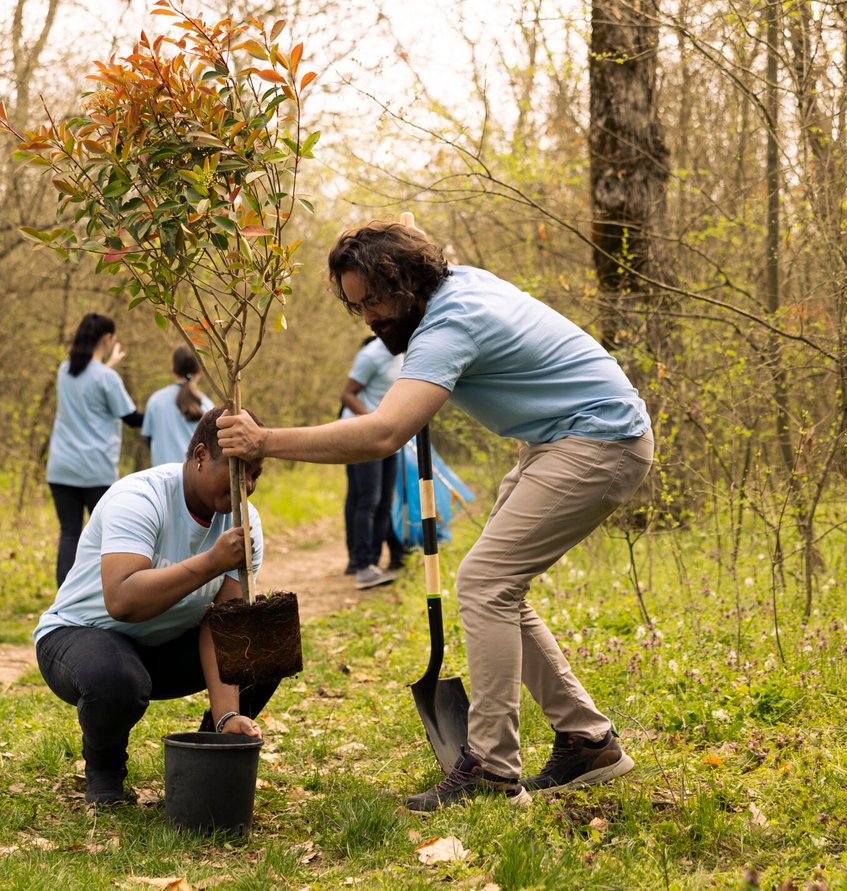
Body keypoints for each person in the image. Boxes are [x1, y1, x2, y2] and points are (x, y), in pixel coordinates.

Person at [217, 220, 653, 811]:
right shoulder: (458, 291)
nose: (368, 316)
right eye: (357, 305)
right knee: (499, 589)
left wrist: (266, 441)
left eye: (374, 298)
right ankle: (587, 741)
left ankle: (494, 773)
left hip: (598, 440)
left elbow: (385, 432)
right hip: (563, 438)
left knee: (485, 584)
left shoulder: (451, 322)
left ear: (409, 280)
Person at [33, 407, 274, 805]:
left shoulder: (244, 523)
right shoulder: (140, 497)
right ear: (200, 455)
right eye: (237, 469)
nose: (245, 484)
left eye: (255, 474)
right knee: (117, 678)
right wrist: (212, 562)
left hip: (162, 645)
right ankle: (105, 772)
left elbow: (224, 627)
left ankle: (213, 751)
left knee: (259, 641)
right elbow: (122, 600)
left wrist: (227, 715)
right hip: (82, 635)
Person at [47, 312, 143, 584]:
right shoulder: (106, 378)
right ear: (108, 338)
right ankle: (102, 594)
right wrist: (163, 415)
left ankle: (64, 595)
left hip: (61, 468)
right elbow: (132, 419)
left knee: (69, 534)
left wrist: (107, 366)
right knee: (104, 536)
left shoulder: (65, 370)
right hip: (95, 470)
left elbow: (90, 382)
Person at [340, 334, 404, 590]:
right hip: (360, 433)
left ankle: (371, 562)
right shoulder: (371, 355)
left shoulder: (405, 350)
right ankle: (363, 565)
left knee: (384, 500)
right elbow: (347, 395)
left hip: (387, 433)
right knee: (369, 498)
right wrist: (373, 422)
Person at [141, 345, 212, 467]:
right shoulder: (208, 406)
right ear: (201, 370)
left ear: (173, 369)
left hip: (161, 479)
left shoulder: (155, 401)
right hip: (195, 480)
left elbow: (149, 439)